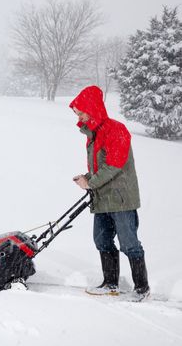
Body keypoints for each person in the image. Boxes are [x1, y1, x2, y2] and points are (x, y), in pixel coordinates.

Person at [69, 85, 150, 300]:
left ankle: (142, 288)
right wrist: (87, 177)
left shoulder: (116, 130)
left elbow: (114, 165)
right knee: (102, 240)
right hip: (102, 197)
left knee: (129, 243)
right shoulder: (93, 134)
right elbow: (101, 166)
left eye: (79, 111)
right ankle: (110, 283)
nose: (77, 115)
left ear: (91, 108)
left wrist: (90, 182)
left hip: (121, 198)